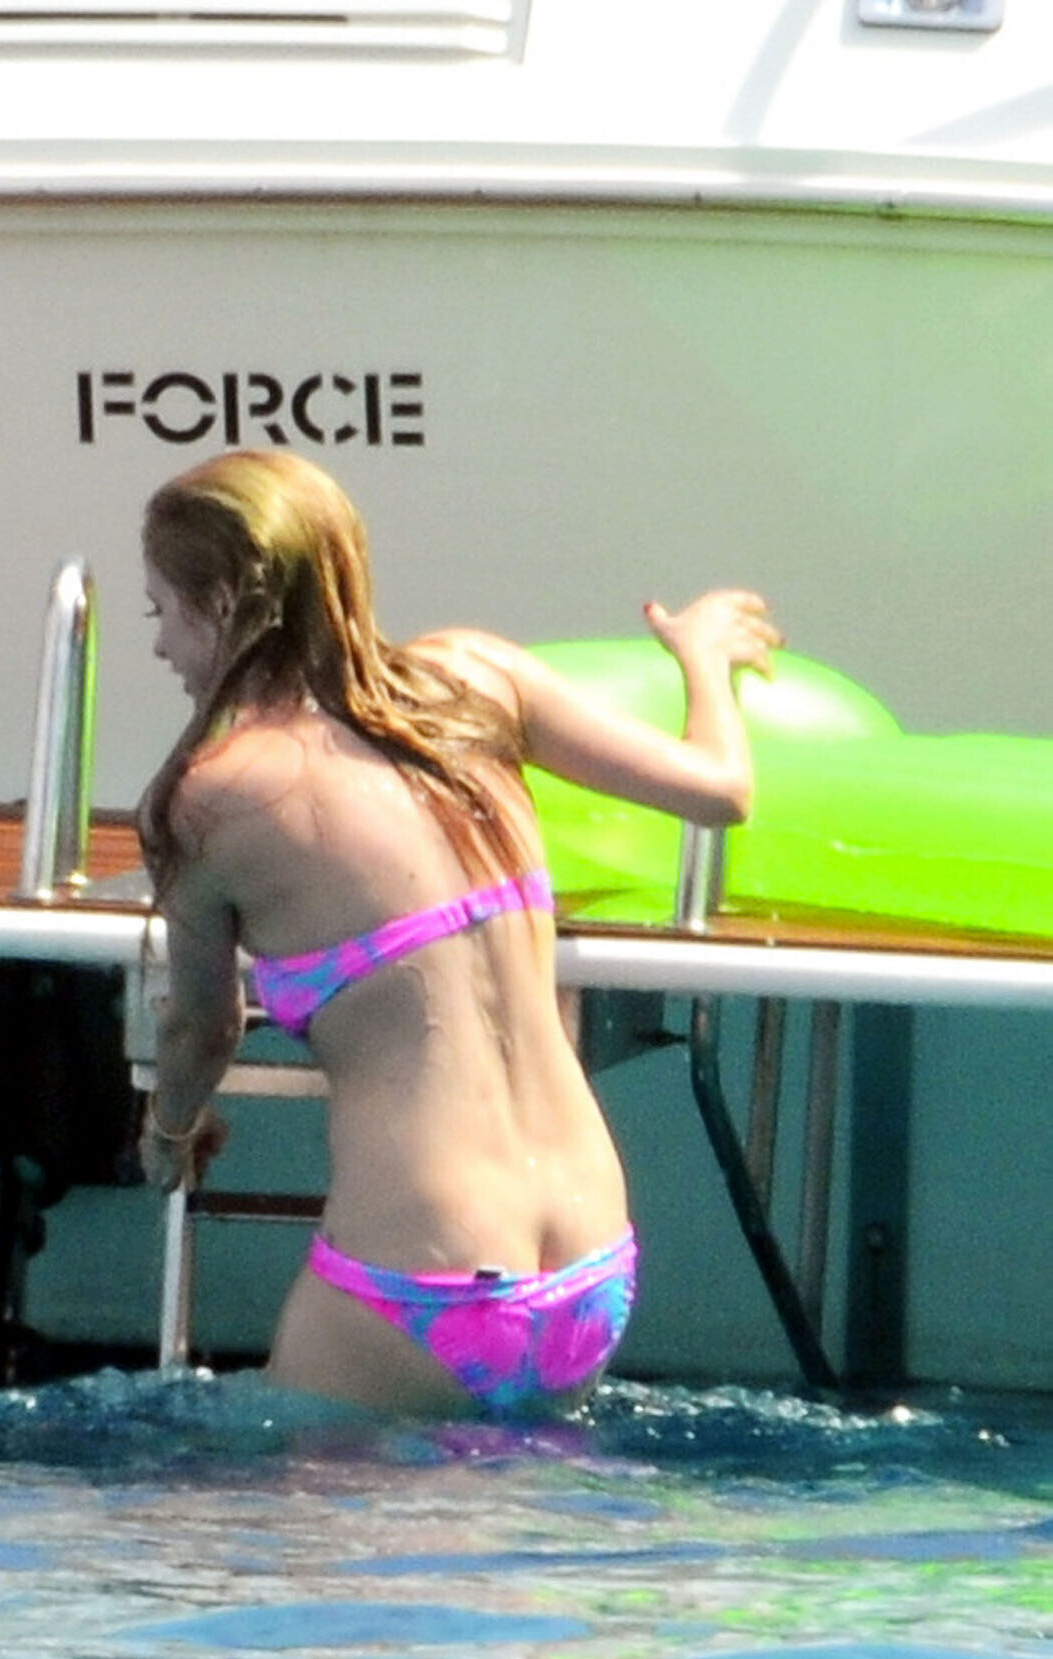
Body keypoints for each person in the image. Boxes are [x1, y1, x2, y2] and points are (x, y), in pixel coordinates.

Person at [135, 449, 780, 1418]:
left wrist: (169, 1132)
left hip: (418, 1281)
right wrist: (701, 659)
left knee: (235, 1510)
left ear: (223, 603)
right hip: (590, 1263)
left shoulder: (216, 795)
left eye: (161, 611)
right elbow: (721, 791)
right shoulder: (479, 678)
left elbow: (202, 1028)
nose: (158, 646)